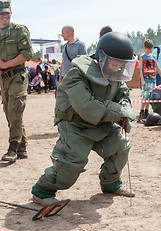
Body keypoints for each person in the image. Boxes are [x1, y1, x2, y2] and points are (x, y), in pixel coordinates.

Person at [31, 32, 137, 206]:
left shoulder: (115, 73)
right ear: (102, 57)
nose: (118, 68)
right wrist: (119, 111)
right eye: (115, 63)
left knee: (120, 148)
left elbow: (122, 94)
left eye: (122, 64)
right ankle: (42, 191)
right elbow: (87, 106)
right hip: (75, 125)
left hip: (102, 123)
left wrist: (125, 108)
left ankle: (110, 184)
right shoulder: (77, 74)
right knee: (71, 165)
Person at [0, 0, 33, 162]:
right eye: (2, 13)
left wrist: (6, 64)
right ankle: (22, 147)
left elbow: (28, 54)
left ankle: (12, 148)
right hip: (4, 80)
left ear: (11, 13)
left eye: (7, 13)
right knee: (9, 112)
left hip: (18, 76)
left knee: (15, 109)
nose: (5, 16)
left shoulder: (19, 30)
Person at [139, 39, 161, 120]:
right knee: (145, 96)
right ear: (145, 48)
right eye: (149, 48)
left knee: (149, 96)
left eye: (151, 48)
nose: (150, 50)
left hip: (153, 80)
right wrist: (142, 80)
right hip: (145, 80)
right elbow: (140, 69)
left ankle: (146, 111)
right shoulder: (142, 57)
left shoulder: (153, 56)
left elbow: (157, 68)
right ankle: (141, 111)